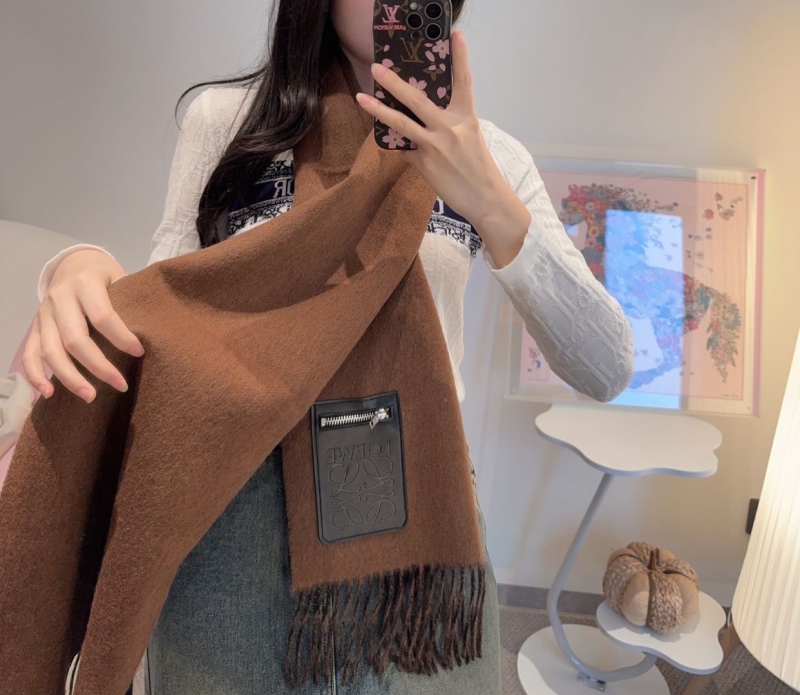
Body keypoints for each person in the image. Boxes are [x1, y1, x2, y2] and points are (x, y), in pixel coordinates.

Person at [21, 0, 634, 693]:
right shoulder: (228, 123)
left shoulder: (491, 158)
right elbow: (174, 310)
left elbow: (607, 366)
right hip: (233, 517)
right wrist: (78, 265)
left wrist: (490, 201)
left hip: (419, 520)